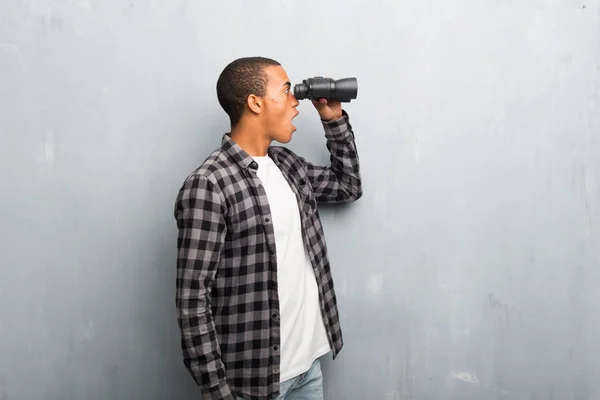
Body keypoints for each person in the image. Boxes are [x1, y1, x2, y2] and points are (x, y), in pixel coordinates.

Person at [173, 56, 362, 400]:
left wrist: (333, 119)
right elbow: (192, 301)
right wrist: (217, 392)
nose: (296, 103)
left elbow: (347, 185)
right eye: (287, 91)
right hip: (254, 383)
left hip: (308, 369)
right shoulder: (209, 184)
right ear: (255, 103)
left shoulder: (288, 165)